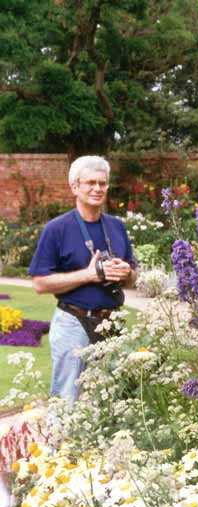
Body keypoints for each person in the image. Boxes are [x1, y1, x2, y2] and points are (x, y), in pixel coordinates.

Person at [29, 155, 137, 402]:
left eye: (102, 183)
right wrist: (88, 275)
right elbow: (39, 283)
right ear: (74, 187)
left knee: (113, 400)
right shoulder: (57, 229)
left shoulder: (117, 227)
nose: (97, 189)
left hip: (112, 324)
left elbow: (133, 277)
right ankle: (57, 444)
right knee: (67, 401)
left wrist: (126, 273)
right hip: (74, 322)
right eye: (90, 183)